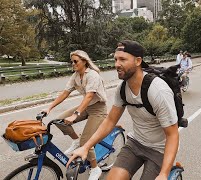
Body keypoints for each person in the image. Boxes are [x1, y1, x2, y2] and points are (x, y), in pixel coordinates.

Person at [67, 40, 179, 180]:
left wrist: (163, 174)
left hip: (159, 149)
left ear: (138, 61)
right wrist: (86, 146)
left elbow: (172, 134)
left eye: (122, 59)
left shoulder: (158, 91)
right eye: (115, 59)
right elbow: (110, 121)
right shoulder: (122, 89)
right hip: (136, 144)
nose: (116, 64)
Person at [42, 50, 107, 180]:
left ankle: (95, 168)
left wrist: (75, 115)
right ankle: (76, 140)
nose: (73, 64)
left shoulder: (92, 75)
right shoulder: (76, 75)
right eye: (72, 61)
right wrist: (49, 108)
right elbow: (65, 93)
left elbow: (89, 96)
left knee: (86, 142)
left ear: (84, 61)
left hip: (98, 109)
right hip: (86, 107)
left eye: (75, 61)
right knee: (59, 120)